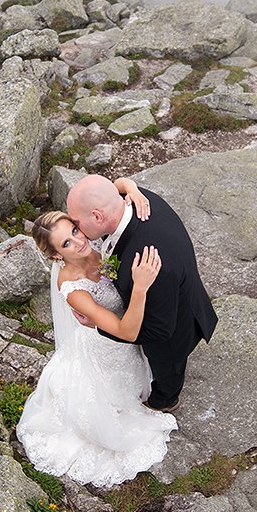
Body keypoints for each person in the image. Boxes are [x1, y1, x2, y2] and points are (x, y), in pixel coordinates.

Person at [16, 179, 177, 487]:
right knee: (119, 409)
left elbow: (112, 186)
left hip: (122, 335)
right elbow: (126, 331)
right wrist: (140, 287)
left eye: (75, 231)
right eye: (66, 244)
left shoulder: (95, 239)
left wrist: (132, 190)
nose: (78, 242)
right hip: (108, 343)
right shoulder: (73, 288)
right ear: (55, 256)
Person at [65, 174, 217, 413]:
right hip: (168, 291)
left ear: (97, 216)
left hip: (174, 327)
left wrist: (98, 324)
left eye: (76, 223)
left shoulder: (152, 264)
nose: (78, 232)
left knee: (168, 368)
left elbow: (159, 330)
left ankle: (165, 401)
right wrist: (130, 185)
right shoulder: (138, 200)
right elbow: (117, 186)